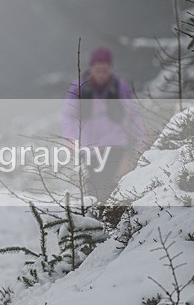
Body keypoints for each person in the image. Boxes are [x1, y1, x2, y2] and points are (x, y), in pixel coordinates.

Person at [61, 47, 145, 202]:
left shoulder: (119, 87)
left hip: (115, 143)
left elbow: (134, 114)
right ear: (91, 68)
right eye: (97, 70)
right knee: (92, 183)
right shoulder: (79, 87)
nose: (101, 74)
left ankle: (105, 217)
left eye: (105, 70)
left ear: (110, 69)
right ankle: (96, 217)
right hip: (87, 146)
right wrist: (71, 138)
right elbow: (68, 115)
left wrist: (140, 139)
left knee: (106, 179)